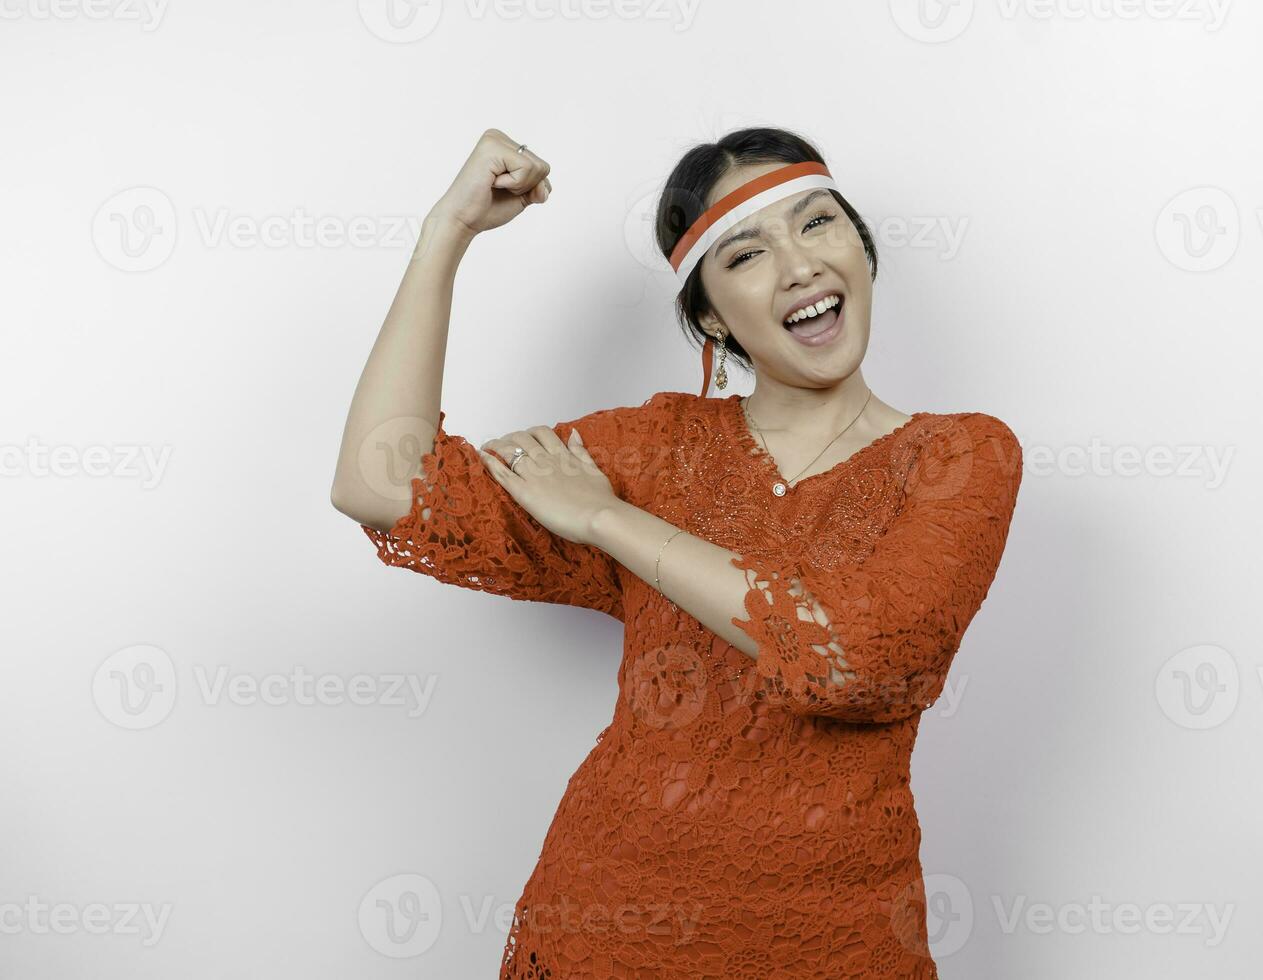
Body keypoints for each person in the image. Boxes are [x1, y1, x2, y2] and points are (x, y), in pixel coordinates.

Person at [330, 125, 1024, 979]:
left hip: (837, 945)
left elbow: (858, 661)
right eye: (745, 254)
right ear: (706, 314)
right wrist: (447, 233)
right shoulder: (656, 448)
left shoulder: (962, 456)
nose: (799, 263)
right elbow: (380, 486)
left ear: (861, 247)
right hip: (605, 929)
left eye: (816, 223)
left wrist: (609, 523)